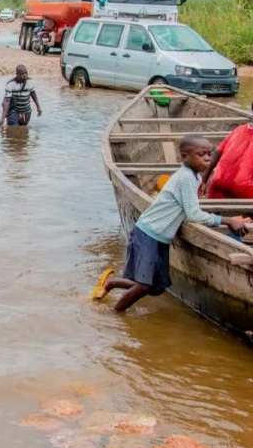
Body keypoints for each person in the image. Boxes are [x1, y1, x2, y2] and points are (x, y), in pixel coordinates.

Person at [92, 135, 247, 312]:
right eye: (200, 154)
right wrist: (227, 220)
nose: (207, 158)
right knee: (143, 286)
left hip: (160, 237)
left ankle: (112, 283)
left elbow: (190, 209)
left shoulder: (194, 177)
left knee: (157, 288)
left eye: (209, 154)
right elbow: (194, 214)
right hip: (148, 233)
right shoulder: (186, 178)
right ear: (184, 157)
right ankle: (115, 315)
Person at [200, 114, 253, 199]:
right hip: (245, 189)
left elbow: (216, 154)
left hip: (217, 184)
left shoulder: (238, 130)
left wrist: (204, 180)